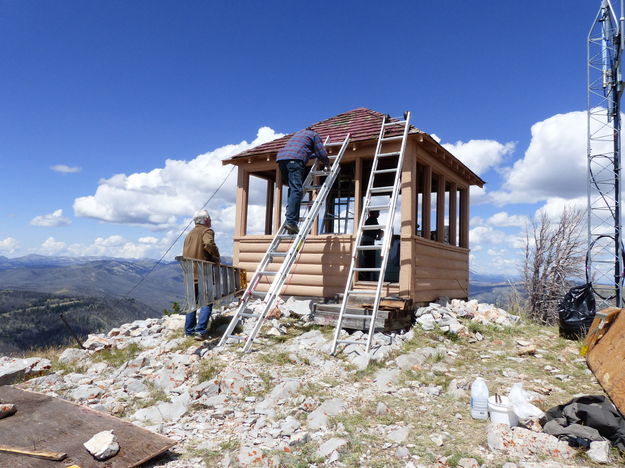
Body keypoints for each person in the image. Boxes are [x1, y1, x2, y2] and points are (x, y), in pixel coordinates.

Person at [276, 128, 330, 234]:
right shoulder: (314, 135)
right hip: (295, 160)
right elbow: (321, 153)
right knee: (296, 190)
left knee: (293, 189)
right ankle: (291, 222)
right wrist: (327, 164)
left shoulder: (298, 136)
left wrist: (314, 155)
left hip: (282, 159)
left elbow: (305, 152)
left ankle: (290, 217)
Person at [183, 209, 220, 340]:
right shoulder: (206, 231)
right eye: (209, 218)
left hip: (189, 274)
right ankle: (201, 331)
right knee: (207, 302)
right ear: (205, 220)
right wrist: (216, 257)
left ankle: (189, 331)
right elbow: (208, 243)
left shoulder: (189, 234)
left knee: (192, 303)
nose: (211, 221)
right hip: (204, 273)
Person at [361, 210, 383, 281]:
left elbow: (377, 230)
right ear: (373, 213)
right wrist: (379, 235)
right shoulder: (372, 220)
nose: (379, 214)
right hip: (368, 241)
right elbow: (378, 230)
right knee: (370, 260)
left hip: (367, 241)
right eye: (377, 213)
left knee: (368, 259)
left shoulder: (370, 220)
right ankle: (369, 277)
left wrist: (379, 235)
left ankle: (368, 277)